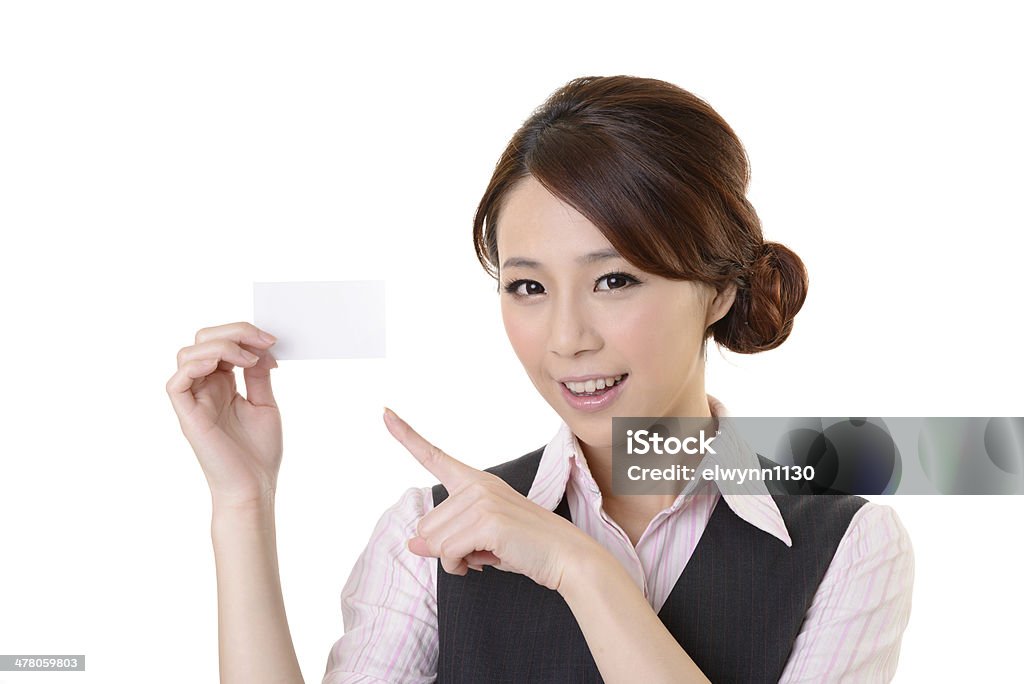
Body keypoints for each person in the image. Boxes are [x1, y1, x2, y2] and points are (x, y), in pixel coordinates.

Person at [167, 75, 914, 683]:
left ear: (717, 289)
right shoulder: (428, 537)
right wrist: (243, 502)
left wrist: (578, 567)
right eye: (528, 287)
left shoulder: (848, 545)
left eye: (615, 280)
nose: (566, 339)